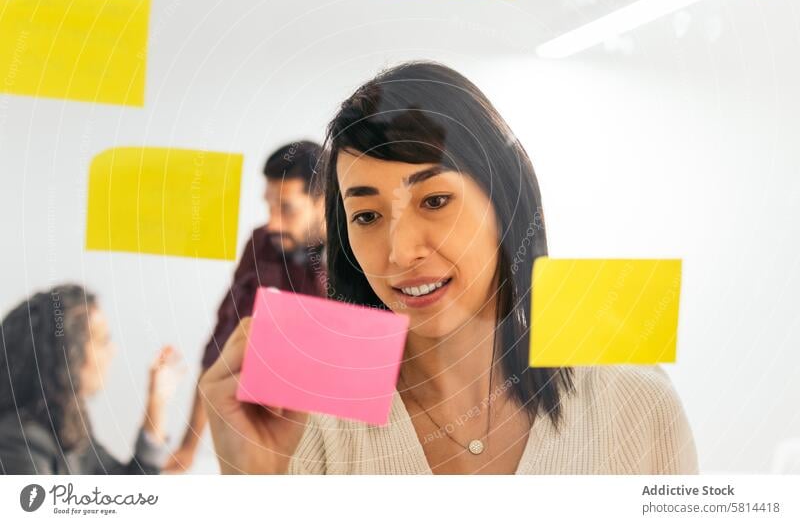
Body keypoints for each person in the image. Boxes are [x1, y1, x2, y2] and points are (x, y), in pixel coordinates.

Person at [200, 61, 699, 475]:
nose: (400, 252)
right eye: (367, 216)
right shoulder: (305, 419)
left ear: (507, 203)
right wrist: (252, 486)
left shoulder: (631, 403)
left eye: (435, 200)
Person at [165, 141, 328, 473]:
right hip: (266, 443)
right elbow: (222, 344)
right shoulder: (261, 245)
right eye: (268, 206)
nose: (273, 224)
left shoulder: (364, 256)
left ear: (324, 204)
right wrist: (188, 446)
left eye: (287, 208)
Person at [0, 284, 177, 475]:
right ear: (67, 354)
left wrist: (156, 402)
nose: (113, 350)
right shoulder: (19, 443)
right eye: (103, 341)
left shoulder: (68, 422)